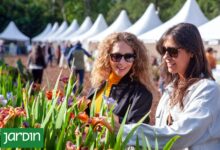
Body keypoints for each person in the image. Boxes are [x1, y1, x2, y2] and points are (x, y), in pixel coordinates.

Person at [120, 23, 220, 149]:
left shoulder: (207, 90)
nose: (166, 57)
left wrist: (124, 131)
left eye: (172, 51)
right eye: (163, 51)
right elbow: (160, 134)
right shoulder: (170, 90)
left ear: (192, 52)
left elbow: (180, 135)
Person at [87, 32, 156, 124]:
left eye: (128, 57)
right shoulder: (99, 84)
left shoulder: (141, 94)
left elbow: (138, 131)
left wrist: (115, 120)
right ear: (107, 57)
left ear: (136, 60)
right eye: (116, 56)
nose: (122, 62)